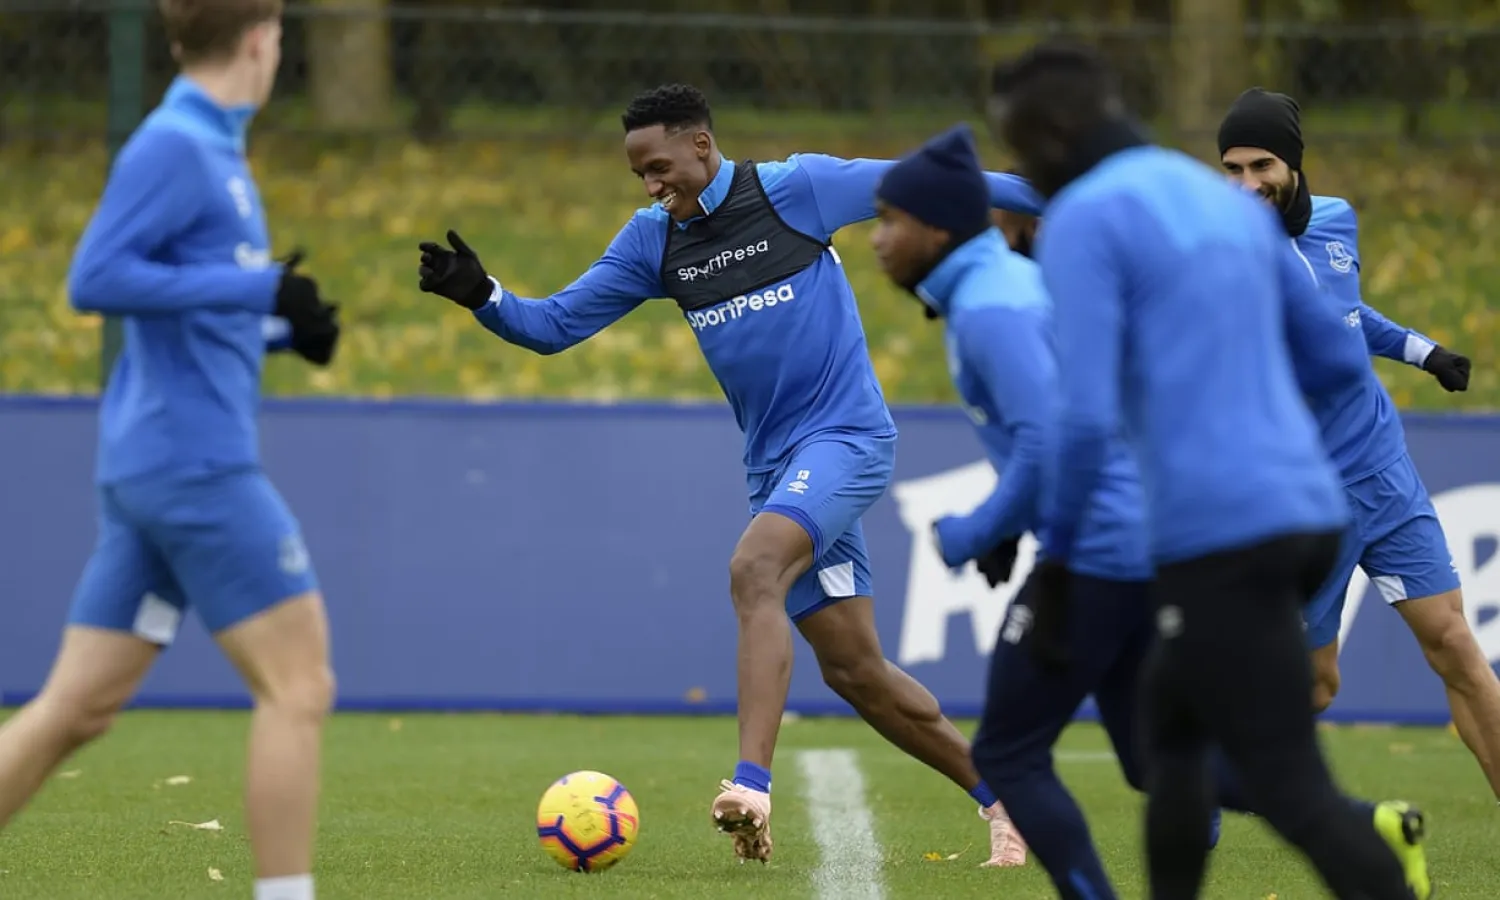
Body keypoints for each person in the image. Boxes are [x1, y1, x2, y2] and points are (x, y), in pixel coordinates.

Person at [415, 83, 1044, 866]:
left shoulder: (798, 190)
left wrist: (1065, 197)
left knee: (754, 568)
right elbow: (555, 326)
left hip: (846, 441)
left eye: (659, 166)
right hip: (777, 470)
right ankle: (1006, 800)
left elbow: (949, 185)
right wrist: (482, 294)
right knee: (856, 671)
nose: (651, 186)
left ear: (702, 146)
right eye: (639, 174)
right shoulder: (654, 241)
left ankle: (750, 786)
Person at [988, 42, 1430, 899]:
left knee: (1289, 789)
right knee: (1172, 735)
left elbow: (1079, 421)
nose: (1025, 167)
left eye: (1021, 141)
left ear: (1053, 130)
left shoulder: (1086, 219)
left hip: (1222, 528)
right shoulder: (1221, 204)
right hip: (1310, 507)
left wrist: (1062, 566)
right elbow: (1339, 364)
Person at [0, 3, 341, 900]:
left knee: (74, 709)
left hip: (154, 466)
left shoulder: (212, 147)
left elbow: (182, 304)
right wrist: (257, 282)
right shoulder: (177, 143)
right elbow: (96, 278)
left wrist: (277, 327)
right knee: (299, 687)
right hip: (196, 467)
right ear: (263, 40)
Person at [1217, 87, 1500, 801]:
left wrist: (1421, 349)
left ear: (1295, 165)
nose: (1248, 184)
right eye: (1232, 169)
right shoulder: (1221, 255)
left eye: (1262, 165)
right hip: (1307, 503)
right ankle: (1210, 762)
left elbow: (1343, 308)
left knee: (1456, 647)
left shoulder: (1339, 220)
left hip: (1383, 471)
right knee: (1315, 688)